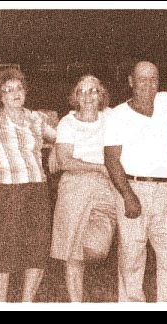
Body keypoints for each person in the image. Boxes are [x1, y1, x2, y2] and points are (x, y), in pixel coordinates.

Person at [104, 60, 167, 302]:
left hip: (165, 191)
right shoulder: (117, 115)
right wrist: (128, 196)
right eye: (142, 79)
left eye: (153, 78)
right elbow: (111, 160)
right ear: (131, 81)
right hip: (132, 189)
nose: (148, 84)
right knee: (131, 257)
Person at [0, 68, 56, 302]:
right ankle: (1, 303)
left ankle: (27, 303)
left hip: (36, 188)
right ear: (1, 96)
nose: (15, 93)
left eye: (19, 88)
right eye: (8, 90)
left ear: (25, 91)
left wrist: (56, 150)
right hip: (6, 189)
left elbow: (63, 138)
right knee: (3, 250)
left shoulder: (36, 118)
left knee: (37, 249)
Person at [50, 75, 117, 302]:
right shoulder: (67, 123)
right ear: (76, 96)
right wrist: (99, 167)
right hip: (74, 187)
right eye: (83, 91)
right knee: (73, 254)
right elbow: (65, 161)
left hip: (104, 189)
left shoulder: (111, 117)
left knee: (99, 247)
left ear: (101, 95)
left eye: (93, 91)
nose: (88, 96)